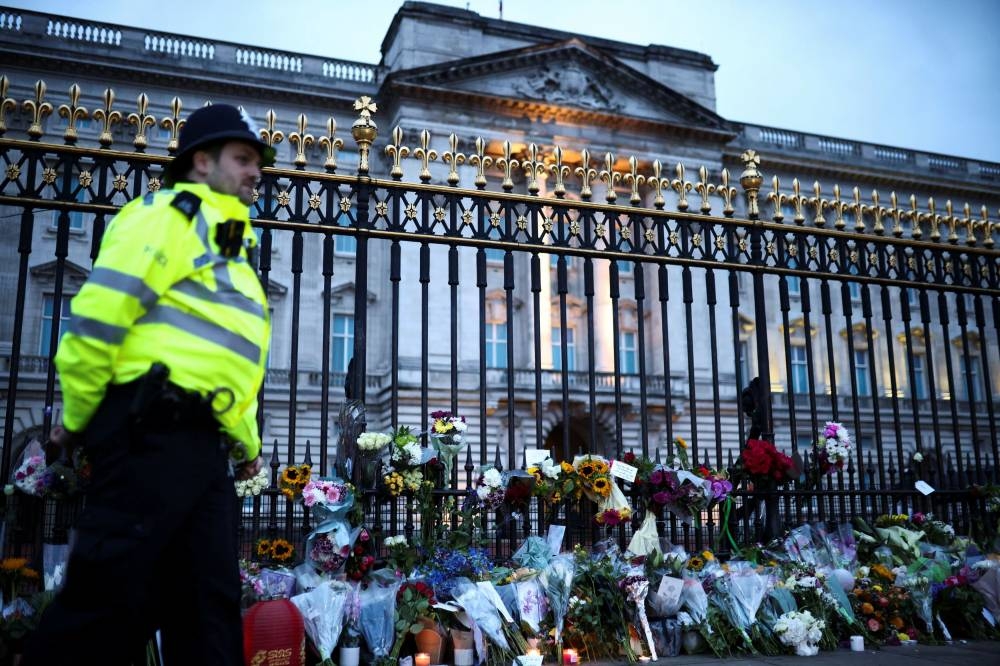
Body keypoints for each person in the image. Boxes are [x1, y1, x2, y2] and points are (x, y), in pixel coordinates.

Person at [24, 104, 275, 666]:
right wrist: (78, 416)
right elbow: (97, 318)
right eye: (242, 159)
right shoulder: (167, 216)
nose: (255, 172)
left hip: (201, 443)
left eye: (257, 161)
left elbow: (226, 363)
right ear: (201, 162)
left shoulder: (228, 241)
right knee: (106, 602)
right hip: (150, 430)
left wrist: (247, 449)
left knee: (208, 609)